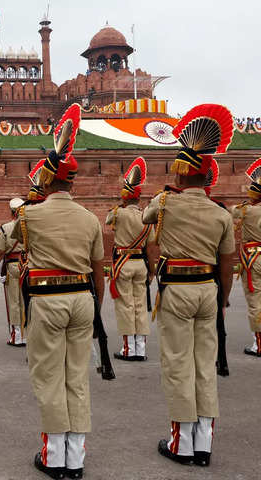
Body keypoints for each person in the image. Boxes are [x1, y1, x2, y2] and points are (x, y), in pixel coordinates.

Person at [12, 104, 104, 480]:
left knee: (49, 376)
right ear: (73, 183)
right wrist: (96, 309)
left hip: (47, 300)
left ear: (47, 181)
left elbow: (5, 241)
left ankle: (54, 457)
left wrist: (23, 203)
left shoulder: (29, 215)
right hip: (83, 299)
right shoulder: (90, 217)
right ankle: (77, 456)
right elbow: (99, 271)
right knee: (76, 376)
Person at [142, 104, 236, 467]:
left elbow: (146, 220)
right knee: (204, 364)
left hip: (177, 290)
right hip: (208, 290)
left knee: (178, 363)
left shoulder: (166, 202)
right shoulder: (221, 212)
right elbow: (227, 262)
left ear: (180, 175)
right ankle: (205, 442)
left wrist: (167, 195)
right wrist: (223, 298)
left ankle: (181, 443)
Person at [105, 157, 156, 361]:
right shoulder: (146, 217)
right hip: (141, 264)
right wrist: (152, 270)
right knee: (140, 305)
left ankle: (129, 349)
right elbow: (151, 246)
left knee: (125, 305)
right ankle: (141, 348)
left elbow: (108, 219)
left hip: (123, 264)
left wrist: (121, 205)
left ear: (125, 198)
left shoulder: (119, 213)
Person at [231, 157, 261, 357]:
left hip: (254, 259)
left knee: (256, 301)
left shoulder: (246, 210)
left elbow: (232, 213)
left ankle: (259, 344)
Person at [0, 197, 26, 346]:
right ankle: (26, 333)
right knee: (25, 299)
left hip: (13, 265)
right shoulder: (28, 225)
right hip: (26, 265)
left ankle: (17, 336)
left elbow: (0, 250)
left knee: (13, 301)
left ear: (11, 212)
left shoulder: (5, 227)